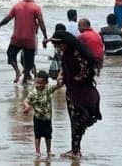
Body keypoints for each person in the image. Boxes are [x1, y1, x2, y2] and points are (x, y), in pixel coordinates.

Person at [48, 30, 101, 159]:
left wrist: (71, 80)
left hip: (81, 92)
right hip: (72, 92)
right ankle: (75, 149)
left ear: (65, 42)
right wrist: (61, 76)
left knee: (78, 120)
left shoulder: (77, 53)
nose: (58, 48)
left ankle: (75, 151)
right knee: (74, 120)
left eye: (59, 45)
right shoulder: (65, 53)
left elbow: (85, 70)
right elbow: (64, 68)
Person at [0, 0, 48, 84]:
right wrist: (45, 36)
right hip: (30, 39)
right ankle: (25, 77)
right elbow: (41, 23)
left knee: (10, 56)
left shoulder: (16, 6)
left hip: (17, 38)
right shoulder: (36, 7)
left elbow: (7, 19)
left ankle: (17, 70)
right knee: (29, 62)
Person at [23, 70, 63, 158]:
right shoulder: (33, 93)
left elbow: (57, 87)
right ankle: (37, 151)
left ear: (46, 83)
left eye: (42, 83)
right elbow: (26, 100)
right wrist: (27, 107)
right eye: (37, 82)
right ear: (35, 81)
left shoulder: (48, 89)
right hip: (37, 118)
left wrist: (59, 81)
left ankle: (49, 151)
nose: (39, 85)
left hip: (47, 118)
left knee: (48, 135)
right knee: (37, 135)